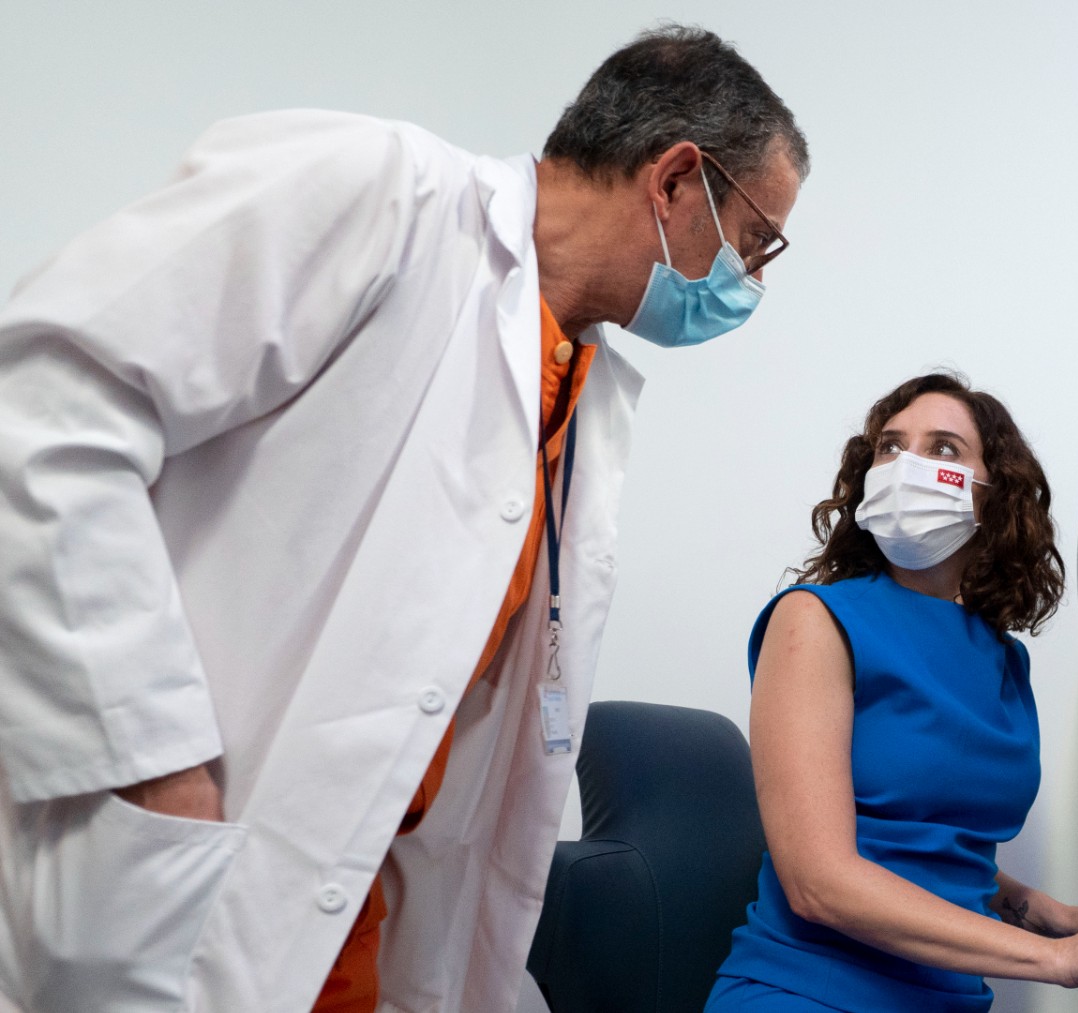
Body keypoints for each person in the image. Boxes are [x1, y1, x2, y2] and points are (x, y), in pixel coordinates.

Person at [0, 24, 805, 1013]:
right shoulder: (390, 197)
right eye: (757, 240)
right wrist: (153, 758)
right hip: (183, 890)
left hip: (357, 935)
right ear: (677, 179)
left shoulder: (581, 393)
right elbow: (42, 402)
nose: (752, 283)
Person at [707, 373, 1078, 1012]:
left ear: (994, 495)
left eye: (945, 449)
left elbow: (938, 846)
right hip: (809, 992)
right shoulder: (816, 620)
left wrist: (1053, 914)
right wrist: (1059, 959)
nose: (908, 466)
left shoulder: (1002, 659)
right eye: (890, 447)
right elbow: (817, 881)